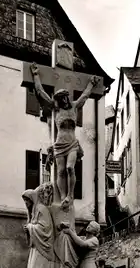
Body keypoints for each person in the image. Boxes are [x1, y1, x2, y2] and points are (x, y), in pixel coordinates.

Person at [30, 63, 99, 208]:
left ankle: (70, 195)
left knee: (70, 168)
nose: (65, 100)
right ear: (59, 100)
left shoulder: (74, 106)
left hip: (72, 143)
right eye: (62, 99)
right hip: (59, 144)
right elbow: (41, 92)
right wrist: (36, 76)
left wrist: (91, 83)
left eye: (65, 98)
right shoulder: (55, 109)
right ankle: (63, 197)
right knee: (60, 171)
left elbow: (85, 96)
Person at [21, 182, 54, 268]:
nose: (26, 204)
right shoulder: (35, 211)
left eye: (27, 200)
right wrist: (29, 228)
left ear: (32, 198)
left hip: (43, 249)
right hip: (36, 248)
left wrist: (30, 227)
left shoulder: (41, 209)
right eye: (25, 201)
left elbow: (46, 228)